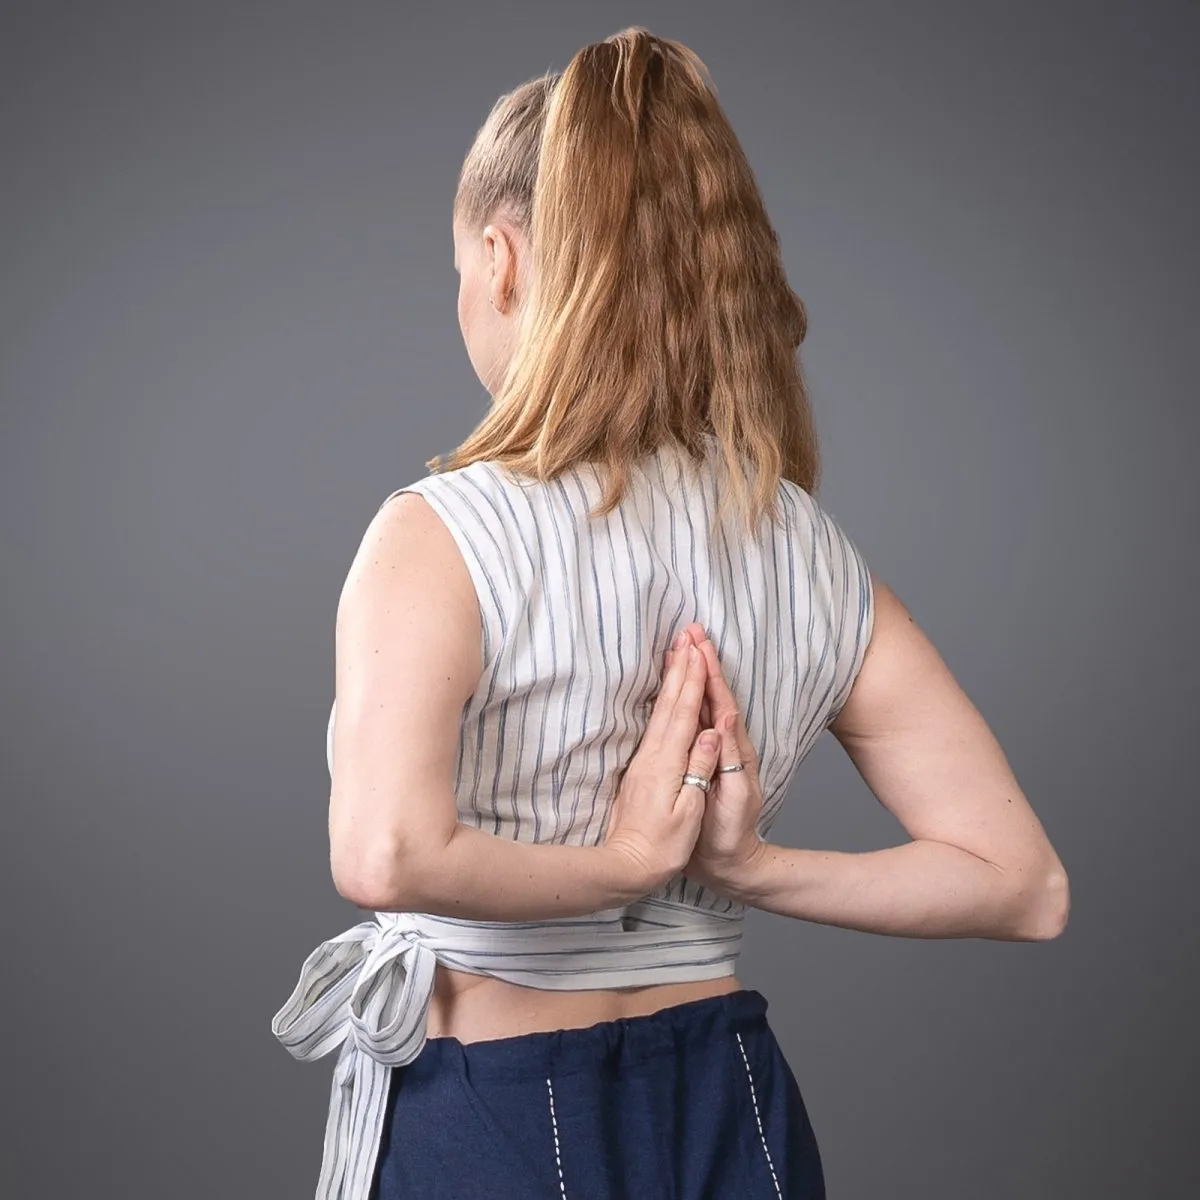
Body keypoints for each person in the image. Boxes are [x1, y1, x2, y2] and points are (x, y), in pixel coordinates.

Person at [271, 26, 1070, 1199]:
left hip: (494, 1112)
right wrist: (748, 868)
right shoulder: (806, 549)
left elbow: (383, 850)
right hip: (728, 1101)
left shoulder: (443, 533)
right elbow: (1025, 885)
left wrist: (626, 861)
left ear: (500, 259)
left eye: (460, 268)